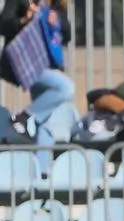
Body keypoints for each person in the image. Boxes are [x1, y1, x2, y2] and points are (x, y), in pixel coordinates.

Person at [0, 0, 75, 156]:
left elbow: (67, 35)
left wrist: (57, 23)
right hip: (24, 64)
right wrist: (25, 19)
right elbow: (3, 25)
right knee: (66, 88)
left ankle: (41, 175)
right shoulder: (21, 2)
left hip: (47, 64)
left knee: (46, 124)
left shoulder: (55, 5)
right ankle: (24, 117)